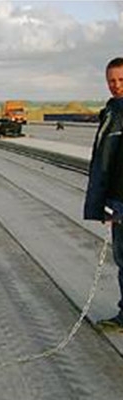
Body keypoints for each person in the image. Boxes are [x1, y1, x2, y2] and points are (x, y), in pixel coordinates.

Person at [84, 57, 123, 329]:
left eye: (121, 80)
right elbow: (105, 164)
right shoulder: (111, 113)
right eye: (111, 80)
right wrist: (105, 203)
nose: (116, 85)